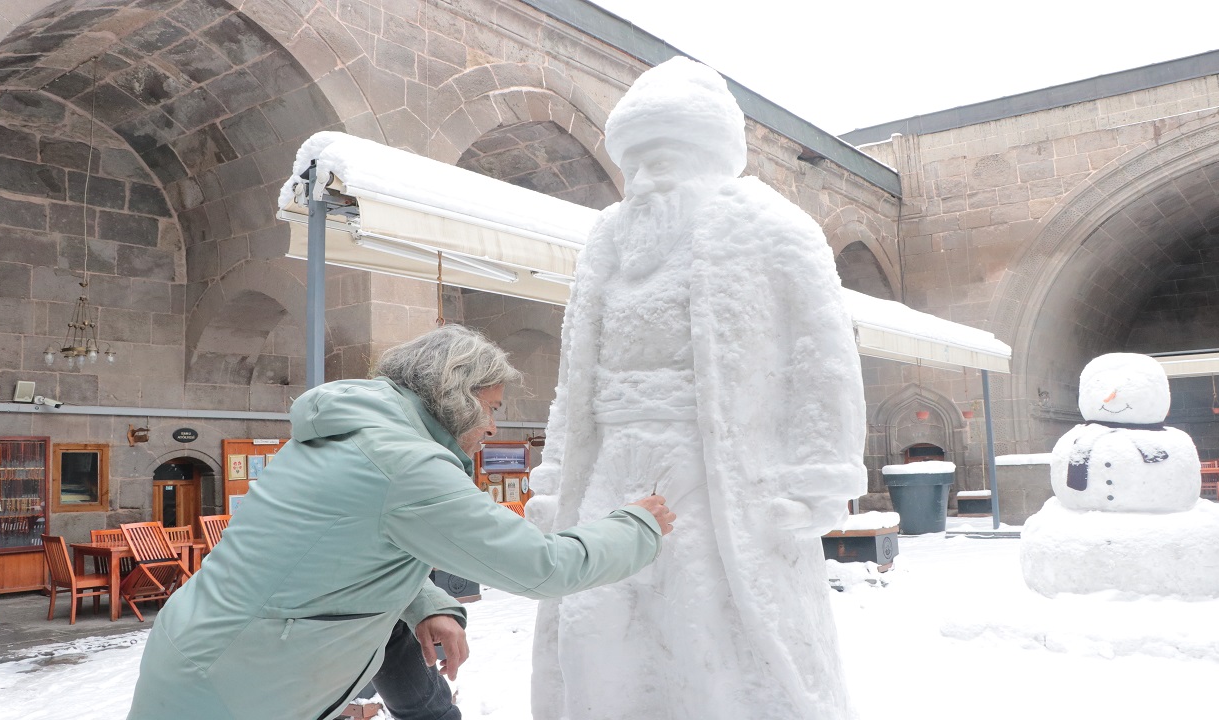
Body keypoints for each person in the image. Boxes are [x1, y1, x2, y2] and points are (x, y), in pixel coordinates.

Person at [527, 57, 867, 719]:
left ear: (712, 157)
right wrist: (556, 472)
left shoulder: (772, 230)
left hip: (713, 469)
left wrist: (818, 480)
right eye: (639, 161)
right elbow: (575, 376)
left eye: (670, 157)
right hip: (614, 458)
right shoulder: (606, 243)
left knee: (703, 623)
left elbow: (821, 360)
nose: (651, 178)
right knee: (591, 618)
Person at [127, 325, 675, 720]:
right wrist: (638, 524)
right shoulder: (405, 462)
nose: (492, 425)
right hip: (239, 689)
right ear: (458, 398)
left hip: (210, 655)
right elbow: (544, 568)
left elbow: (347, 550)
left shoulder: (350, 434)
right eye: (492, 407)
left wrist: (425, 604)